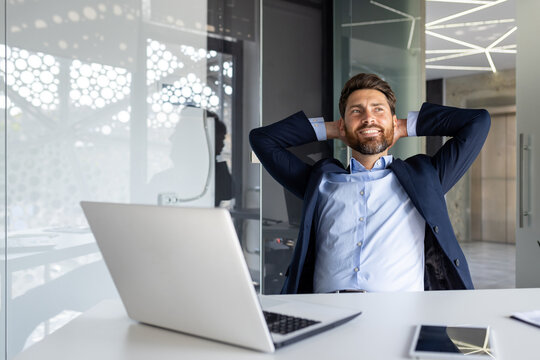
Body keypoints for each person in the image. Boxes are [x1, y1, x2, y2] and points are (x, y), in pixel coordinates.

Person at [249, 73, 490, 294]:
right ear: (343, 124)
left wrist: (404, 126)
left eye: (378, 110)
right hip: (325, 314)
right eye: (357, 111)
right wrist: (334, 128)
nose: (368, 119)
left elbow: (477, 122)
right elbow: (262, 140)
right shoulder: (321, 182)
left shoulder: (425, 179)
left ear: (393, 122)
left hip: (399, 318)